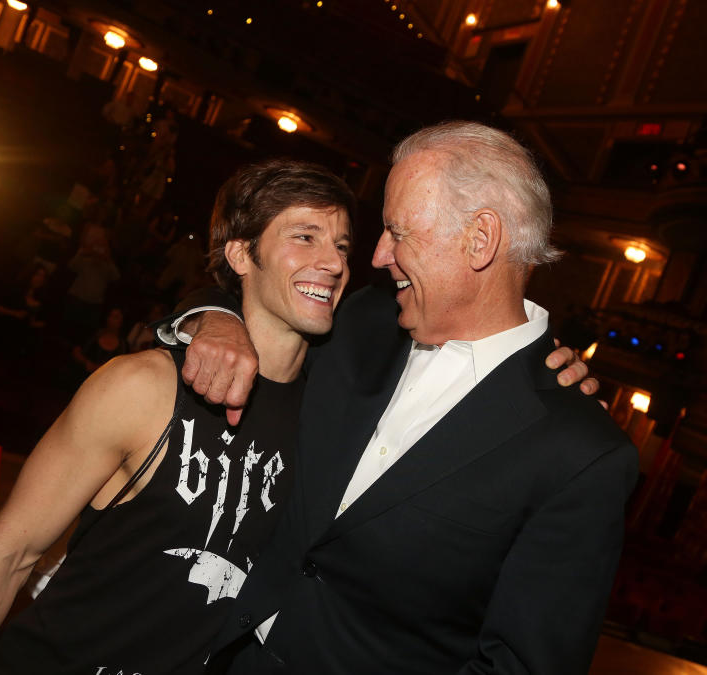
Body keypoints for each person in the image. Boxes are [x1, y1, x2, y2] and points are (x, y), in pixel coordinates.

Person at [176, 121, 638, 674]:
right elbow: (253, 290)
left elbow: (520, 666)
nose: (375, 256)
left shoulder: (579, 451)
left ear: (480, 239)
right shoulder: (358, 321)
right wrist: (214, 319)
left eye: (398, 232)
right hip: (207, 652)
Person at [0, 158, 357, 674]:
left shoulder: (328, 420)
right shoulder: (142, 386)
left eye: (342, 245)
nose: (332, 262)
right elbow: (5, 556)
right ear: (240, 253)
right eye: (305, 237)